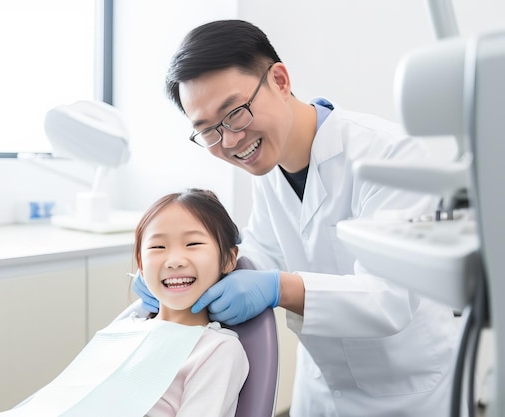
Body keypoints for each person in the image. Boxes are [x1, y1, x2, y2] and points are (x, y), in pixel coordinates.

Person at [132, 19, 459, 417]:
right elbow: (262, 254)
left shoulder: (390, 155)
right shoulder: (268, 171)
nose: (230, 140)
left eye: (235, 112)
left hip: (410, 391)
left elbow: (390, 298)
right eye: (208, 131)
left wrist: (277, 288)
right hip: (322, 389)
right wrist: (186, 271)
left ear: (281, 81)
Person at [0, 188, 249, 417]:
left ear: (228, 258)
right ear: (141, 265)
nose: (174, 260)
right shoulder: (123, 329)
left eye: (193, 243)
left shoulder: (216, 350)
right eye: (158, 248)